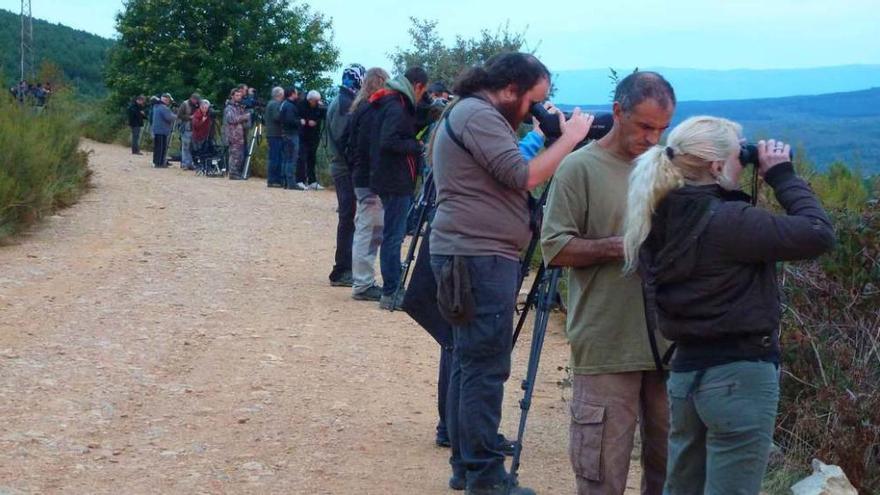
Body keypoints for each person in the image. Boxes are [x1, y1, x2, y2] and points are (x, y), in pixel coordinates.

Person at [621, 119, 834, 494]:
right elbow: (818, 233)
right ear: (716, 166)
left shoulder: (656, 215)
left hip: (686, 375)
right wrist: (783, 176)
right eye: (740, 153)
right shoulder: (730, 221)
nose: (745, 160)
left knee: (683, 486)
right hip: (739, 376)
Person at [429, 52, 592, 495]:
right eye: (533, 101)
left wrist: (545, 132)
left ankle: (468, 464)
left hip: (471, 254)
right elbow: (524, 175)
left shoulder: (471, 113)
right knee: (484, 367)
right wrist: (570, 138)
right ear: (508, 90)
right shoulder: (478, 116)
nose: (533, 110)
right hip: (478, 256)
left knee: (469, 362)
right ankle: (484, 477)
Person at [540, 71, 675, 495]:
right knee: (601, 474)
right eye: (645, 127)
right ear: (618, 112)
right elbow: (555, 248)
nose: (654, 138)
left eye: (663, 128)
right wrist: (622, 247)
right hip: (606, 342)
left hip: (671, 344)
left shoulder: (669, 169)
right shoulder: (579, 168)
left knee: (672, 472)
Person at [368, 67, 429, 310]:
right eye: (423, 90)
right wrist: (415, 146)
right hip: (395, 179)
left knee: (393, 234)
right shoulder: (396, 106)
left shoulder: (391, 101)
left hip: (390, 177)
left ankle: (392, 288)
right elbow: (389, 140)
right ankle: (391, 290)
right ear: (417, 85)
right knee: (394, 236)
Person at [346, 67, 390, 301]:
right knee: (369, 229)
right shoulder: (372, 111)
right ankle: (363, 282)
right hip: (369, 178)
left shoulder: (359, 109)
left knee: (367, 226)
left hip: (360, 175)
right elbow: (371, 147)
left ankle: (363, 280)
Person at [326, 64, 366, 287]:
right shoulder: (344, 103)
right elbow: (343, 140)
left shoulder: (343, 99)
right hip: (344, 168)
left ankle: (345, 267)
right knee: (347, 216)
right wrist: (357, 164)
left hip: (342, 166)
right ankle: (341, 269)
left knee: (348, 216)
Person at [297, 90, 326, 190]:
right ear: (310, 100)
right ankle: (300, 180)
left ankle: (312, 181)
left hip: (314, 135)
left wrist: (323, 109)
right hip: (303, 135)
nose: (317, 102)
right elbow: (299, 117)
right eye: (315, 101)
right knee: (302, 158)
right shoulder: (301, 105)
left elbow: (324, 117)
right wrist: (308, 121)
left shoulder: (319, 106)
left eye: (318, 100)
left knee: (312, 158)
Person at [279, 86, 305, 190]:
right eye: (296, 93)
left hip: (285, 133)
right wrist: (300, 122)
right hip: (291, 134)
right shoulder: (290, 106)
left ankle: (285, 181)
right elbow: (290, 120)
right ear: (292, 94)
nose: (297, 95)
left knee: (286, 158)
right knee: (291, 159)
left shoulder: (284, 104)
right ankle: (291, 183)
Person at [223, 87, 251, 180]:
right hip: (233, 135)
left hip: (240, 135)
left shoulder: (239, 107)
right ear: (232, 96)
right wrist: (244, 117)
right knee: (234, 154)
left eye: (240, 95)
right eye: (237, 95)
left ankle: (237, 172)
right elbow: (231, 119)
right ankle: (233, 172)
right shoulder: (229, 108)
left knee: (240, 155)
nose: (239, 97)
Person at [264, 87, 286, 187]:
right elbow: (277, 117)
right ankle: (273, 180)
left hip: (273, 134)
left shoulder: (271, 103)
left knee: (276, 157)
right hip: (275, 134)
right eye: (282, 93)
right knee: (275, 158)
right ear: (279, 94)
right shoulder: (275, 104)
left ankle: (275, 179)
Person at [151, 93, 176, 168]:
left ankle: (156, 161)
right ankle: (160, 163)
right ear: (166, 100)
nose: (169, 102)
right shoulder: (163, 107)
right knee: (161, 147)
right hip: (162, 130)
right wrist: (176, 116)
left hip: (157, 129)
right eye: (168, 100)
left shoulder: (156, 106)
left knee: (157, 147)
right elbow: (169, 117)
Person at [177, 93, 201, 170]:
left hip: (194, 129)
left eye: (197, 100)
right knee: (185, 147)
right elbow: (179, 115)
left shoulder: (198, 105)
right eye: (195, 99)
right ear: (191, 98)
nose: (196, 101)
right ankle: (185, 163)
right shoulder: (185, 104)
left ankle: (190, 163)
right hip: (186, 128)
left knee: (192, 147)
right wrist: (190, 117)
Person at [191, 99, 212, 171]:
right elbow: (195, 125)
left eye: (206, 108)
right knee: (197, 151)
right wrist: (202, 121)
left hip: (205, 135)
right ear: (201, 107)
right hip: (197, 136)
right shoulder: (197, 114)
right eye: (204, 108)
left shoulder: (208, 114)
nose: (205, 110)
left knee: (204, 151)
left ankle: (204, 164)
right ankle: (197, 164)